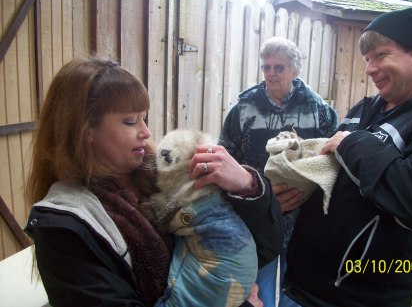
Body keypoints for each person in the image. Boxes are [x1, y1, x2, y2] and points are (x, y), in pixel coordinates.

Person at [23, 56, 283, 307]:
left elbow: (266, 247)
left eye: (144, 118)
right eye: (130, 121)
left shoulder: (170, 172)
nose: (146, 132)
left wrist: (247, 185)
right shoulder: (64, 228)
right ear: (86, 129)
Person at [283, 8, 412, 307]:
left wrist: (353, 143)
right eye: (367, 60)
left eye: (381, 55)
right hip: (301, 284)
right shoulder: (366, 107)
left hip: (358, 297)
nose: (370, 69)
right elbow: (331, 169)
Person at [220, 37, 339, 307]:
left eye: (279, 67)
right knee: (259, 287)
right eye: (266, 67)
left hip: (304, 215)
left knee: (297, 285)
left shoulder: (317, 108)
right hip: (257, 214)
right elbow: (226, 155)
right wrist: (254, 195)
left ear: (295, 70)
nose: (271, 74)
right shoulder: (243, 109)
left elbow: (333, 158)